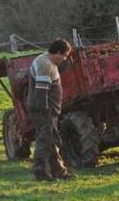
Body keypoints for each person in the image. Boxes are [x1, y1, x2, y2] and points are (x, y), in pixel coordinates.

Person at [27, 39, 73, 180]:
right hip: (43, 110)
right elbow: (41, 93)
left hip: (45, 110)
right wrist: (46, 112)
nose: (64, 59)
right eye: (65, 56)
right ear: (58, 53)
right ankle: (40, 172)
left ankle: (59, 171)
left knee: (51, 141)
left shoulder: (45, 60)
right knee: (45, 140)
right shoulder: (46, 66)